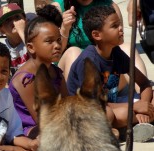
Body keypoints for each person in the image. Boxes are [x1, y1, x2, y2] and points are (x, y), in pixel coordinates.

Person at [67, 5, 154, 142]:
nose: (121, 29)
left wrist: (143, 104)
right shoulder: (88, 62)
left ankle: (136, 124)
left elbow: (144, 83)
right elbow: (94, 104)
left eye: (119, 24)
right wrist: (135, 107)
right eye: (114, 26)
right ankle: (134, 125)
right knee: (116, 114)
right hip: (87, 111)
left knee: (149, 100)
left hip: (112, 104)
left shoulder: (116, 52)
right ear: (97, 35)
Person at [51, 0, 147, 85]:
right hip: (75, 72)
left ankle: (146, 98)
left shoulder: (109, 5)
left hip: (105, 73)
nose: (120, 29)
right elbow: (53, 56)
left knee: (126, 48)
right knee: (74, 52)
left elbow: (117, 44)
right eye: (114, 26)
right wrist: (64, 29)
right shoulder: (58, 8)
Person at [9, 4, 68, 139]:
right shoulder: (25, 79)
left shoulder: (56, 72)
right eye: (49, 41)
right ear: (30, 47)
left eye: (59, 40)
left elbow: (68, 103)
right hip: (31, 130)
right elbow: (43, 120)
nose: (57, 46)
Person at [0, 3, 30, 76]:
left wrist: (22, 32)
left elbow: (39, 58)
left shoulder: (35, 37)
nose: (14, 22)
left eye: (17, 17)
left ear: (25, 21)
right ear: (1, 30)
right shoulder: (1, 48)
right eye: (8, 20)